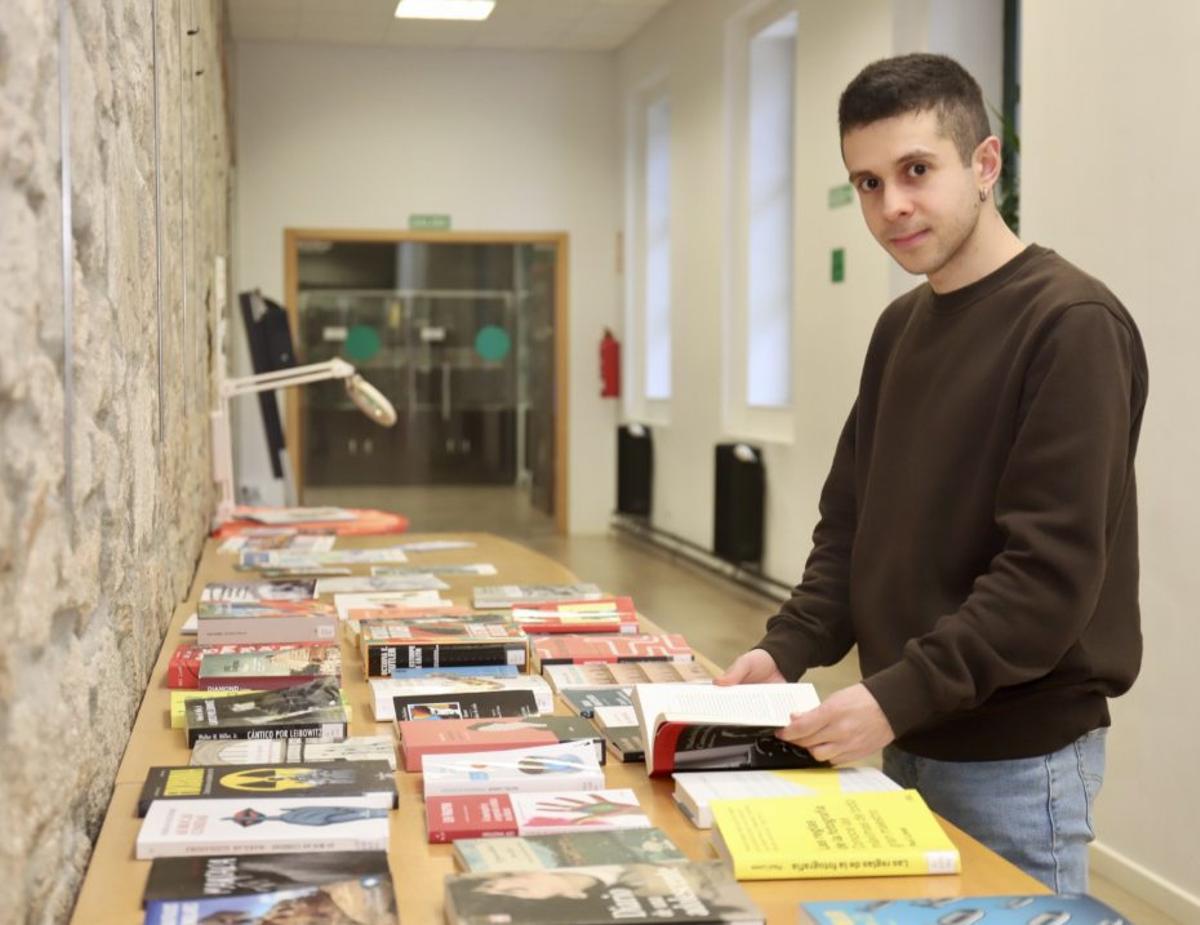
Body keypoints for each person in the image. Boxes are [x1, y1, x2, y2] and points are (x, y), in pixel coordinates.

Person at [717, 53, 1148, 893]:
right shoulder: (899, 327)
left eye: (917, 170)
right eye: (868, 183)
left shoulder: (1072, 325)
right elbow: (851, 528)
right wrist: (784, 651)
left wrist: (893, 696)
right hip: (911, 729)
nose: (892, 206)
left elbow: (1046, 578)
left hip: (1017, 760)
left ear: (985, 164)